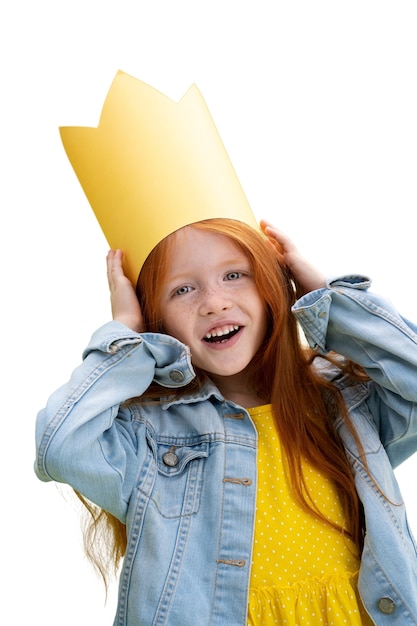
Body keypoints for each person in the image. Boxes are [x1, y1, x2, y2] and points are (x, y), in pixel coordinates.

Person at [35, 216, 417, 625]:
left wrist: (328, 301)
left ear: (273, 284)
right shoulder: (151, 434)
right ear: (156, 321)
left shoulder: (340, 400)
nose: (213, 302)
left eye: (234, 275)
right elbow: (61, 446)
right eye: (183, 289)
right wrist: (126, 338)